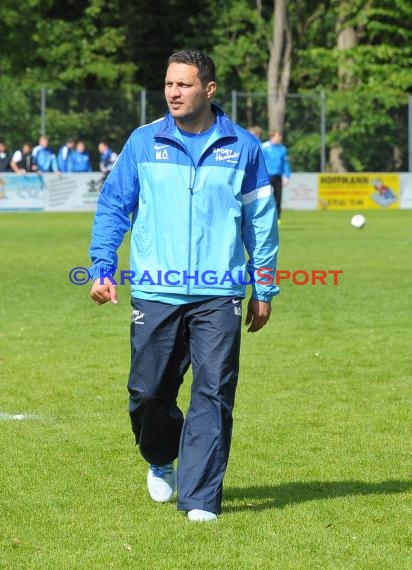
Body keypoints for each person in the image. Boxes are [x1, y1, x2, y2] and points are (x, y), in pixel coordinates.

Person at [89, 50, 279, 522]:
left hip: (220, 293)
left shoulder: (246, 147)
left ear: (209, 89)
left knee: (214, 394)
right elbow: (114, 207)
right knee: (149, 392)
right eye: (169, 84)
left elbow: (261, 222)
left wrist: (265, 286)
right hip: (156, 291)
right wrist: (102, 265)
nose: (174, 92)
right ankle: (159, 456)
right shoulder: (142, 141)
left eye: (184, 85)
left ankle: (200, 499)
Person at [261, 130, 291, 222]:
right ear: (272, 136)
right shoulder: (265, 147)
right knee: (265, 197)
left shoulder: (283, 149)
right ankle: (264, 216)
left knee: (278, 197)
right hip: (267, 176)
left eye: (280, 136)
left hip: (278, 176)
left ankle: (278, 218)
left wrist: (286, 175)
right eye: (278, 136)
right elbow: (260, 161)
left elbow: (285, 163)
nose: (280, 138)